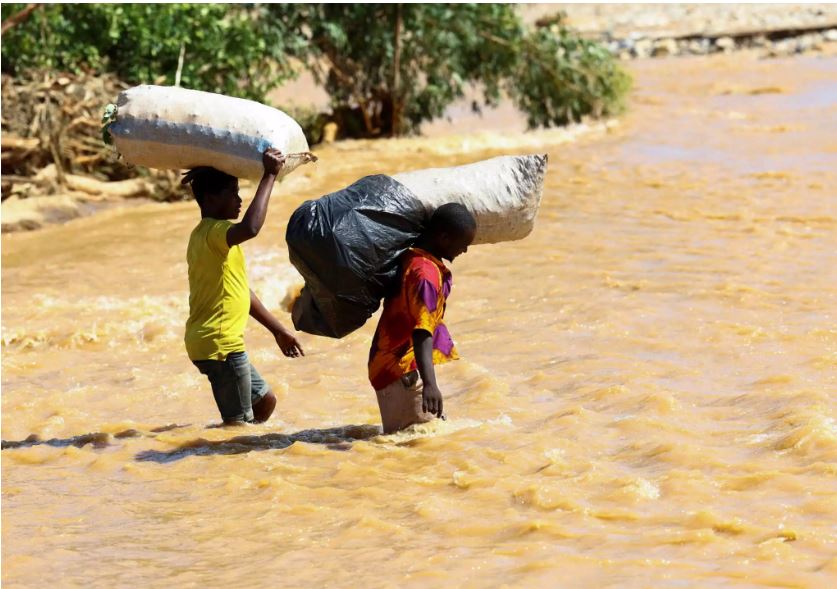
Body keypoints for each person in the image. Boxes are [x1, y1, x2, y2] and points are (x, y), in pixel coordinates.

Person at [182, 148, 304, 425]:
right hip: (221, 344)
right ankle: (220, 461)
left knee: (264, 402)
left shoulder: (203, 238)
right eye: (233, 193)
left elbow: (240, 292)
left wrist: (279, 331)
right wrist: (269, 175)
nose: (239, 200)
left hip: (210, 342)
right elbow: (250, 227)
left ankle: (207, 448)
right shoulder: (215, 233)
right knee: (238, 429)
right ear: (211, 199)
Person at [368, 203, 477, 433]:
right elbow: (422, 331)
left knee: (420, 443)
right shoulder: (425, 275)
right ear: (444, 237)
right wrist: (430, 384)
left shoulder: (413, 257)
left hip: (393, 366)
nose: (465, 251)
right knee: (414, 448)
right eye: (463, 244)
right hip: (400, 370)